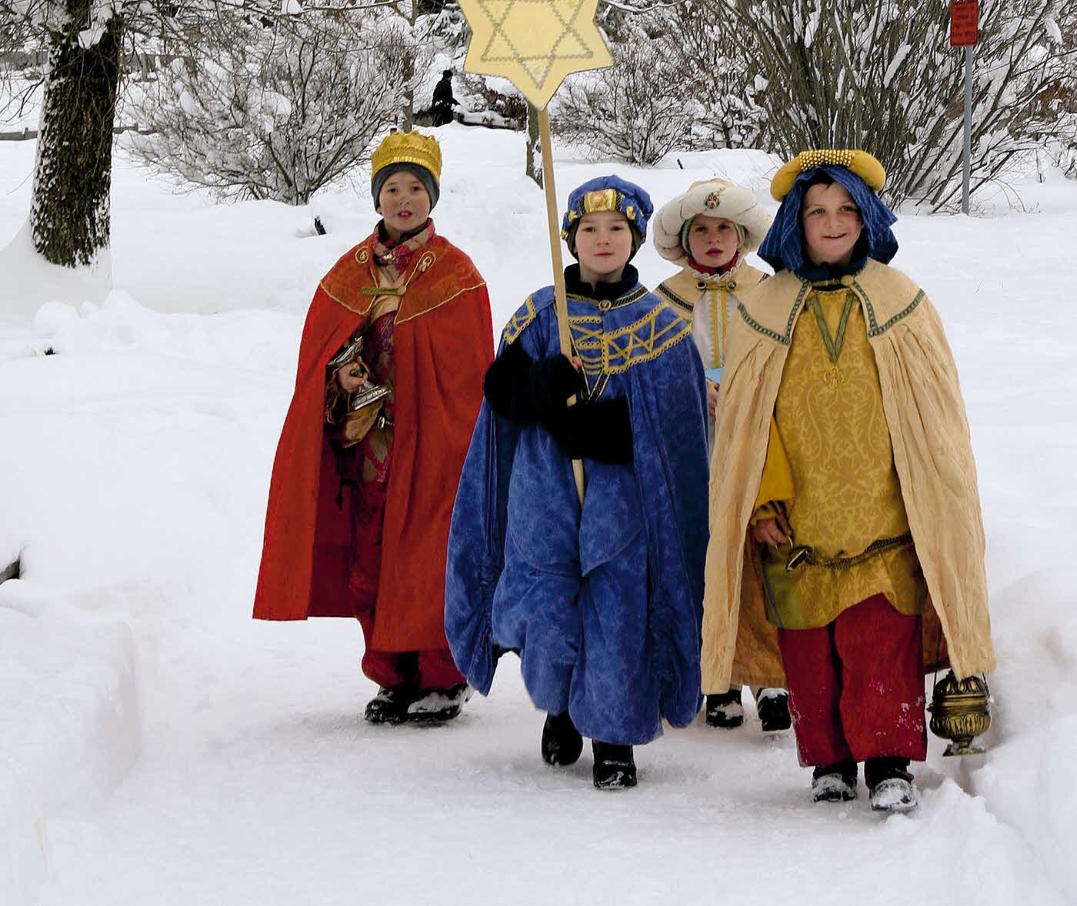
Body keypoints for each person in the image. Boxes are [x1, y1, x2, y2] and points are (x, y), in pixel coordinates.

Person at [701, 148, 994, 813]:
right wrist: (762, 498)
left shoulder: (902, 299)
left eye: (844, 210)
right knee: (811, 653)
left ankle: (890, 760)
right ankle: (828, 761)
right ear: (792, 223)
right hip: (796, 516)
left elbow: (932, 416)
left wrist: (926, 493)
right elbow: (751, 420)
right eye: (815, 212)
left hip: (882, 509)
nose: (831, 223)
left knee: (879, 642)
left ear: (866, 219)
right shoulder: (764, 306)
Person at [445, 175, 709, 790]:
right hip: (544, 496)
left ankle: (614, 734)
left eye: (616, 229)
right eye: (589, 229)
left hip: (622, 501)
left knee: (617, 609)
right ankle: (560, 707)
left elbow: (678, 433)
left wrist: (610, 430)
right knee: (548, 606)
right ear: (569, 238)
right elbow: (500, 396)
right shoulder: (540, 314)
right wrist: (541, 386)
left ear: (635, 239)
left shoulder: (663, 328)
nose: (602, 239)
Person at [254, 131, 492, 724]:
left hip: (434, 448)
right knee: (372, 558)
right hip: (368, 447)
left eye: (416, 188)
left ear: (432, 196)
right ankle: (389, 671)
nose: (404, 199)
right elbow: (317, 360)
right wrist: (342, 378)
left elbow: (469, 373)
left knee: (428, 556)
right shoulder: (347, 272)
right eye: (392, 188)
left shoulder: (456, 275)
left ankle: (443, 674)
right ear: (376, 198)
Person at [651, 176, 790, 735]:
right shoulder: (662, 301)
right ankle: (721, 678)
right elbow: (650, 371)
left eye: (723, 229)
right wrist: (690, 388)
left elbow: (787, 363)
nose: (713, 239)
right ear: (685, 240)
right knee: (708, 555)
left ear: (742, 236)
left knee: (764, 554)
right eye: (701, 229)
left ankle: (774, 678)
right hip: (694, 450)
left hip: (760, 444)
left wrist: (745, 389)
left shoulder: (770, 292)